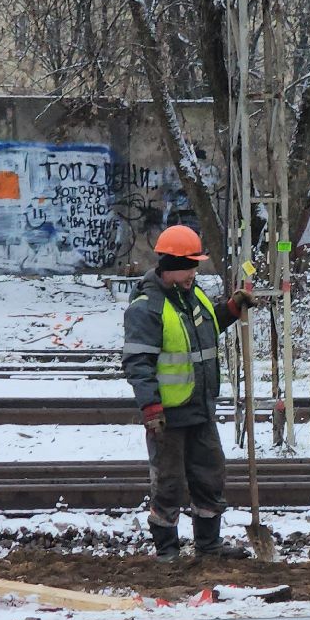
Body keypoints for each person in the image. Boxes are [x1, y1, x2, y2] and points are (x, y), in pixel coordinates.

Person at [122, 224, 256, 562]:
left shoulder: (190, 295)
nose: (194, 273)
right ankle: (167, 552)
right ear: (169, 265)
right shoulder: (146, 307)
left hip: (200, 407)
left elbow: (205, 328)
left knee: (210, 477)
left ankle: (209, 547)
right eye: (189, 266)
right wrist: (151, 408)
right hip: (168, 415)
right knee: (168, 484)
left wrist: (231, 308)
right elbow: (138, 363)